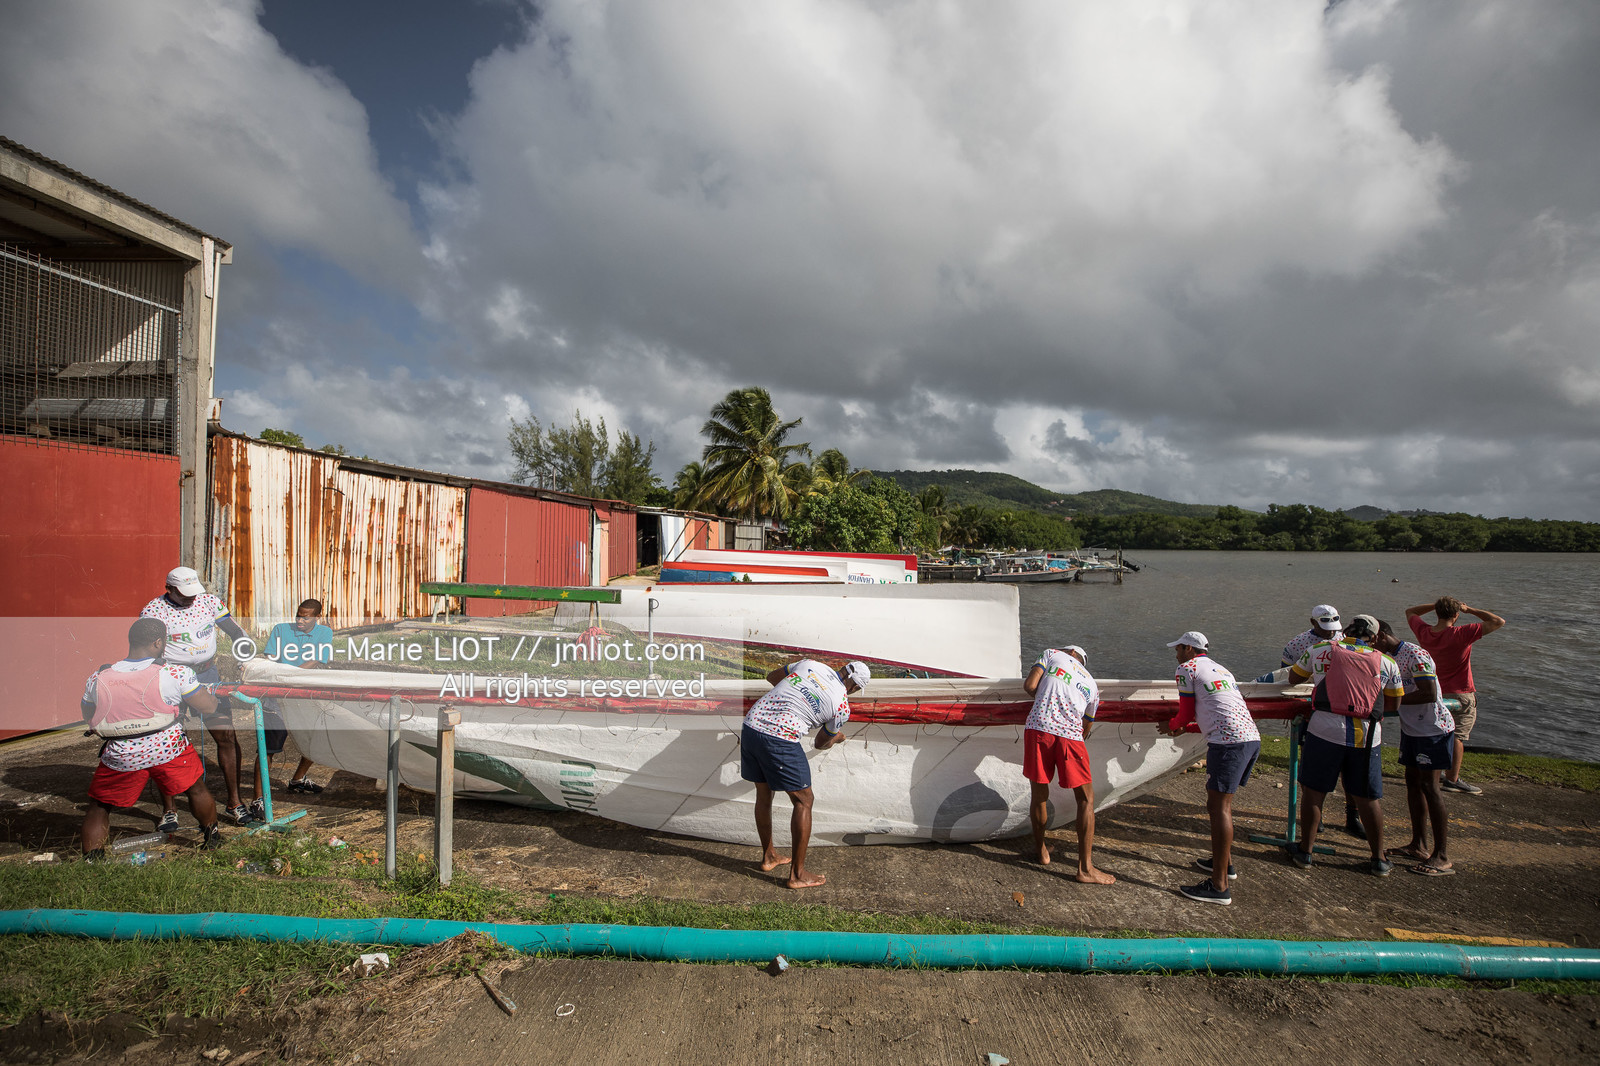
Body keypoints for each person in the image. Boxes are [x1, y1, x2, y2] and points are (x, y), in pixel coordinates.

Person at [79, 618, 225, 860]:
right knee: (196, 789)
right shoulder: (174, 672)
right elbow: (207, 707)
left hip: (121, 753)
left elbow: (89, 715)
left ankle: (93, 858)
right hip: (167, 748)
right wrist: (214, 700)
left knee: (100, 805)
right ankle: (212, 838)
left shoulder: (99, 676)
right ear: (159, 642)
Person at [1281, 615, 1403, 876]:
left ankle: (1305, 851)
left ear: (1345, 630)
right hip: (1368, 736)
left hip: (1325, 729)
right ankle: (1379, 859)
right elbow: (1393, 705)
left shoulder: (1318, 650)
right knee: (1368, 798)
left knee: (1314, 793)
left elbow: (1293, 678)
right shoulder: (1388, 662)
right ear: (1375, 636)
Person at [740, 659, 869, 889]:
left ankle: (769, 857)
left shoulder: (810, 665)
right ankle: (797, 875)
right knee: (804, 800)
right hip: (779, 737)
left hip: (752, 724)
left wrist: (794, 695)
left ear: (842, 667)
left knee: (764, 791)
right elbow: (821, 743)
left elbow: (772, 677)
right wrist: (836, 737)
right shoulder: (841, 706)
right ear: (856, 688)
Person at [141, 566, 252, 826]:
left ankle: (235, 801)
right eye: (184, 594)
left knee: (226, 734)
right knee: (166, 739)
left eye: (193, 592)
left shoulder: (209, 602)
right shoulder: (153, 611)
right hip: (170, 676)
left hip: (207, 675)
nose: (191, 598)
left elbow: (236, 632)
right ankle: (169, 809)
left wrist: (243, 657)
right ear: (169, 589)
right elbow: (147, 650)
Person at [1162, 632, 1260, 906]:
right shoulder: (1221, 668)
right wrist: (1184, 726)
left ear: (1189, 649)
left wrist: (1172, 726)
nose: (1176, 653)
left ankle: (1219, 887)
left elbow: (1184, 713)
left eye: (1179, 648)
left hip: (1227, 744)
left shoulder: (1186, 668)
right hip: (1249, 738)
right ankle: (1224, 864)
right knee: (1221, 804)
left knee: (1219, 808)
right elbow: (1214, 710)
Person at [1264, 604, 1365, 840]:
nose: (1331, 633)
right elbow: (1286, 678)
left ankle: (1353, 815)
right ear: (1313, 623)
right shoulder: (1297, 645)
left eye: (1334, 629)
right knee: (1313, 765)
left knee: (1348, 767)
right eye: (1325, 628)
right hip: (1316, 709)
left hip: (1347, 707)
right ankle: (1315, 815)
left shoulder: (1347, 639)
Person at [1021, 644, 1114, 885]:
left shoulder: (1052, 654)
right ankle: (1085, 868)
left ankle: (1041, 851)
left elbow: (1030, 686)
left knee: (1039, 793)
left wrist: (1046, 700)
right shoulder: (1092, 685)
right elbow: (1086, 727)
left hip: (1038, 727)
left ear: (1071, 654)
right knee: (1085, 799)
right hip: (1070, 735)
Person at [1371, 619, 1455, 876]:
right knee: (1412, 784)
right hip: (1412, 730)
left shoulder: (1415, 654)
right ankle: (1418, 844)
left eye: (1372, 640)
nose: (1370, 646)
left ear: (1383, 636)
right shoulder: (1387, 658)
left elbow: (1429, 693)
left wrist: (1392, 700)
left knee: (1431, 787)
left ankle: (1441, 855)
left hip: (1433, 729)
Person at [1404, 597, 1506, 795]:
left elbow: (1411, 611)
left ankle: (1438, 770)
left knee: (1439, 732)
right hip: (1460, 693)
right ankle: (1452, 779)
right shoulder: (1462, 633)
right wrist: (1469, 609)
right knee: (1458, 735)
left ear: (1437, 613)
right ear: (1456, 615)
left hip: (1435, 691)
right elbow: (1498, 621)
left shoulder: (1425, 632)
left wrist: (1434, 605)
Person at [253, 599, 336, 814]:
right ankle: (257, 798)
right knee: (267, 748)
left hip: (303, 692)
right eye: (298, 615)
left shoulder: (324, 633)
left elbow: (316, 660)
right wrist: (277, 675)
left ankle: (298, 779)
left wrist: (289, 676)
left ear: (317, 616)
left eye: (306, 617)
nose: (300, 620)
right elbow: (270, 658)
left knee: (314, 739)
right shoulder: (281, 630)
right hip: (277, 694)